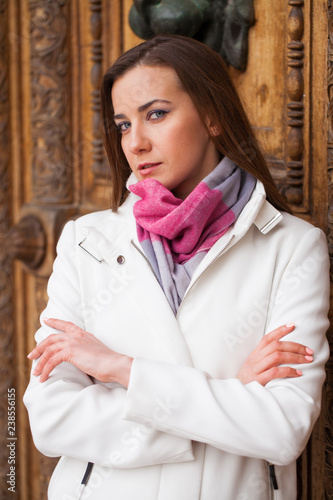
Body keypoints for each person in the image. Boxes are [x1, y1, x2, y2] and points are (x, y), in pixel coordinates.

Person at [23, 35, 330, 500]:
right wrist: (230, 393)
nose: (136, 142)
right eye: (123, 124)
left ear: (212, 115)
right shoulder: (87, 241)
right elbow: (50, 420)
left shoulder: (292, 247)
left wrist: (121, 369)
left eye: (157, 114)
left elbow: (281, 430)